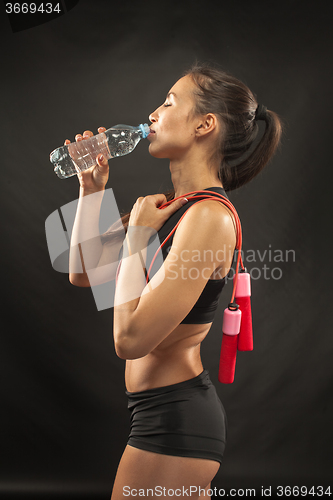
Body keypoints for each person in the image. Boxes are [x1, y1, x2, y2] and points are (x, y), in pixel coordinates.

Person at [67, 63, 282, 499]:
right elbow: (83, 273)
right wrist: (91, 191)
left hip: (176, 419)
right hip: (156, 412)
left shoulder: (208, 217)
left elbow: (129, 341)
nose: (152, 113)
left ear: (205, 124)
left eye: (168, 102)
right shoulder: (174, 207)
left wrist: (138, 237)